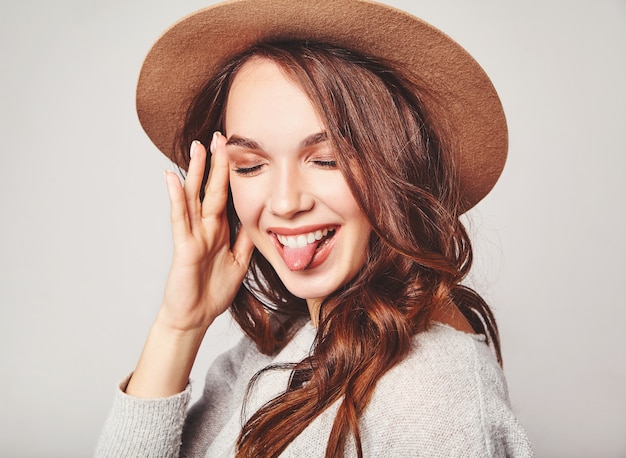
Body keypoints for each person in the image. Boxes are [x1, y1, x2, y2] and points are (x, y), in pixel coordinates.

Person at [96, 0, 534, 456]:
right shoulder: (277, 346)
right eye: (249, 166)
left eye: (326, 160)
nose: (285, 203)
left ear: (397, 166)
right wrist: (179, 327)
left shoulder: (430, 392)